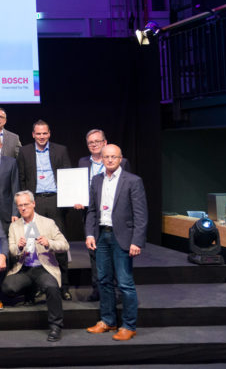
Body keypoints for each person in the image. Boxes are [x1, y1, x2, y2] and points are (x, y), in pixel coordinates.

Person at [85, 144, 147, 341]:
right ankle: (108, 321)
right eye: (106, 157)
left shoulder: (133, 181)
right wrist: (89, 234)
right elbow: (92, 211)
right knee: (103, 280)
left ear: (121, 159)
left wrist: (137, 241)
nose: (110, 160)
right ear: (101, 159)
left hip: (123, 237)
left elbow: (141, 214)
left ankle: (129, 325)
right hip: (101, 235)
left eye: (114, 157)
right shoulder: (96, 180)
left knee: (125, 283)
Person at [2, 191, 69, 342]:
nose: (23, 208)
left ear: (33, 204)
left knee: (52, 287)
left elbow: (64, 245)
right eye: (20, 206)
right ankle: (31, 289)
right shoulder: (14, 226)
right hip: (24, 268)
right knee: (7, 287)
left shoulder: (47, 222)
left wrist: (49, 243)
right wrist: (18, 248)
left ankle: (55, 326)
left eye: (26, 204)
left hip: (43, 267)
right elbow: (11, 250)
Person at [17, 120, 73, 299]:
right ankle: (40, 285)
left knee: (58, 243)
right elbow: (22, 179)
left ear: (49, 134)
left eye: (44, 133)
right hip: (35, 202)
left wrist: (69, 200)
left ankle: (64, 287)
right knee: (35, 245)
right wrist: (26, 204)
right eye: (38, 134)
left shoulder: (61, 150)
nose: (41, 137)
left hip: (56, 200)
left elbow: (68, 177)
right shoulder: (24, 152)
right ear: (33, 134)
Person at [76, 129, 131, 301]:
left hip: (115, 218)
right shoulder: (83, 162)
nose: (94, 145)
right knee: (94, 254)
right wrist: (77, 200)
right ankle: (97, 290)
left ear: (105, 143)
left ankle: (118, 291)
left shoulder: (122, 162)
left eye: (97, 141)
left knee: (116, 252)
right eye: (90, 142)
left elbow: (127, 190)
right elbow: (78, 186)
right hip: (91, 214)